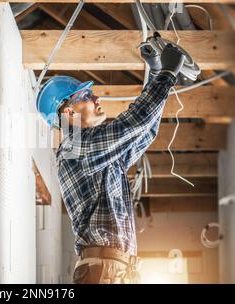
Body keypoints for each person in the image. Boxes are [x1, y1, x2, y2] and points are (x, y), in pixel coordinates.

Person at [36, 44, 188, 284]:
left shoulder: (99, 155)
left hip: (114, 270)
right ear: (67, 114)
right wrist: (167, 74)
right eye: (85, 96)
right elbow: (134, 123)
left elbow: (145, 132)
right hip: (105, 271)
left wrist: (158, 74)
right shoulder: (74, 150)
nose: (96, 97)